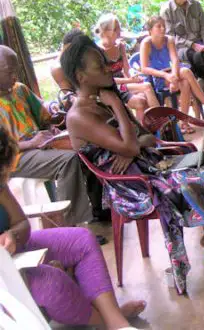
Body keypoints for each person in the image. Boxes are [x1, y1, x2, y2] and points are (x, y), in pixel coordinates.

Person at [61, 35, 204, 291]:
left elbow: (147, 138)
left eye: (106, 63)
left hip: (155, 167)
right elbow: (131, 144)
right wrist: (119, 107)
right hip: (136, 187)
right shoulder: (80, 115)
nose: (108, 69)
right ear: (81, 76)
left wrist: (133, 146)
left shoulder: (101, 102)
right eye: (100, 66)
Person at [0, 125, 146, 329]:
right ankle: (109, 322)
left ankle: (115, 321)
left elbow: (21, 223)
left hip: (12, 252)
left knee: (82, 240)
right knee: (49, 281)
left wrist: (13, 236)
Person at [0, 45, 93, 226]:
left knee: (88, 148)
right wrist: (32, 143)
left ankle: (98, 210)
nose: (15, 76)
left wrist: (53, 122)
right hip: (14, 158)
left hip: (38, 146)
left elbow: (46, 115)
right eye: (9, 71)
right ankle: (69, 225)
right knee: (67, 161)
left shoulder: (20, 90)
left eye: (16, 70)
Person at [139, 16, 204, 133]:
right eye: (158, 26)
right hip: (159, 75)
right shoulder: (146, 43)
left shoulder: (169, 40)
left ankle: (184, 122)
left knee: (185, 82)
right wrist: (166, 76)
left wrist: (173, 76)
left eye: (164, 25)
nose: (163, 29)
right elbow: (144, 68)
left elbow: (175, 60)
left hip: (174, 72)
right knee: (186, 73)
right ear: (150, 30)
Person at [94, 14, 160, 120]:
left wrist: (134, 79)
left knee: (142, 98)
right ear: (106, 32)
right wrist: (129, 80)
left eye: (119, 27)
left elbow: (126, 70)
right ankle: (161, 121)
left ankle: (147, 129)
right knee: (147, 87)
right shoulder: (97, 51)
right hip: (110, 88)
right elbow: (106, 79)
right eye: (116, 29)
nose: (119, 31)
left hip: (124, 85)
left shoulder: (120, 46)